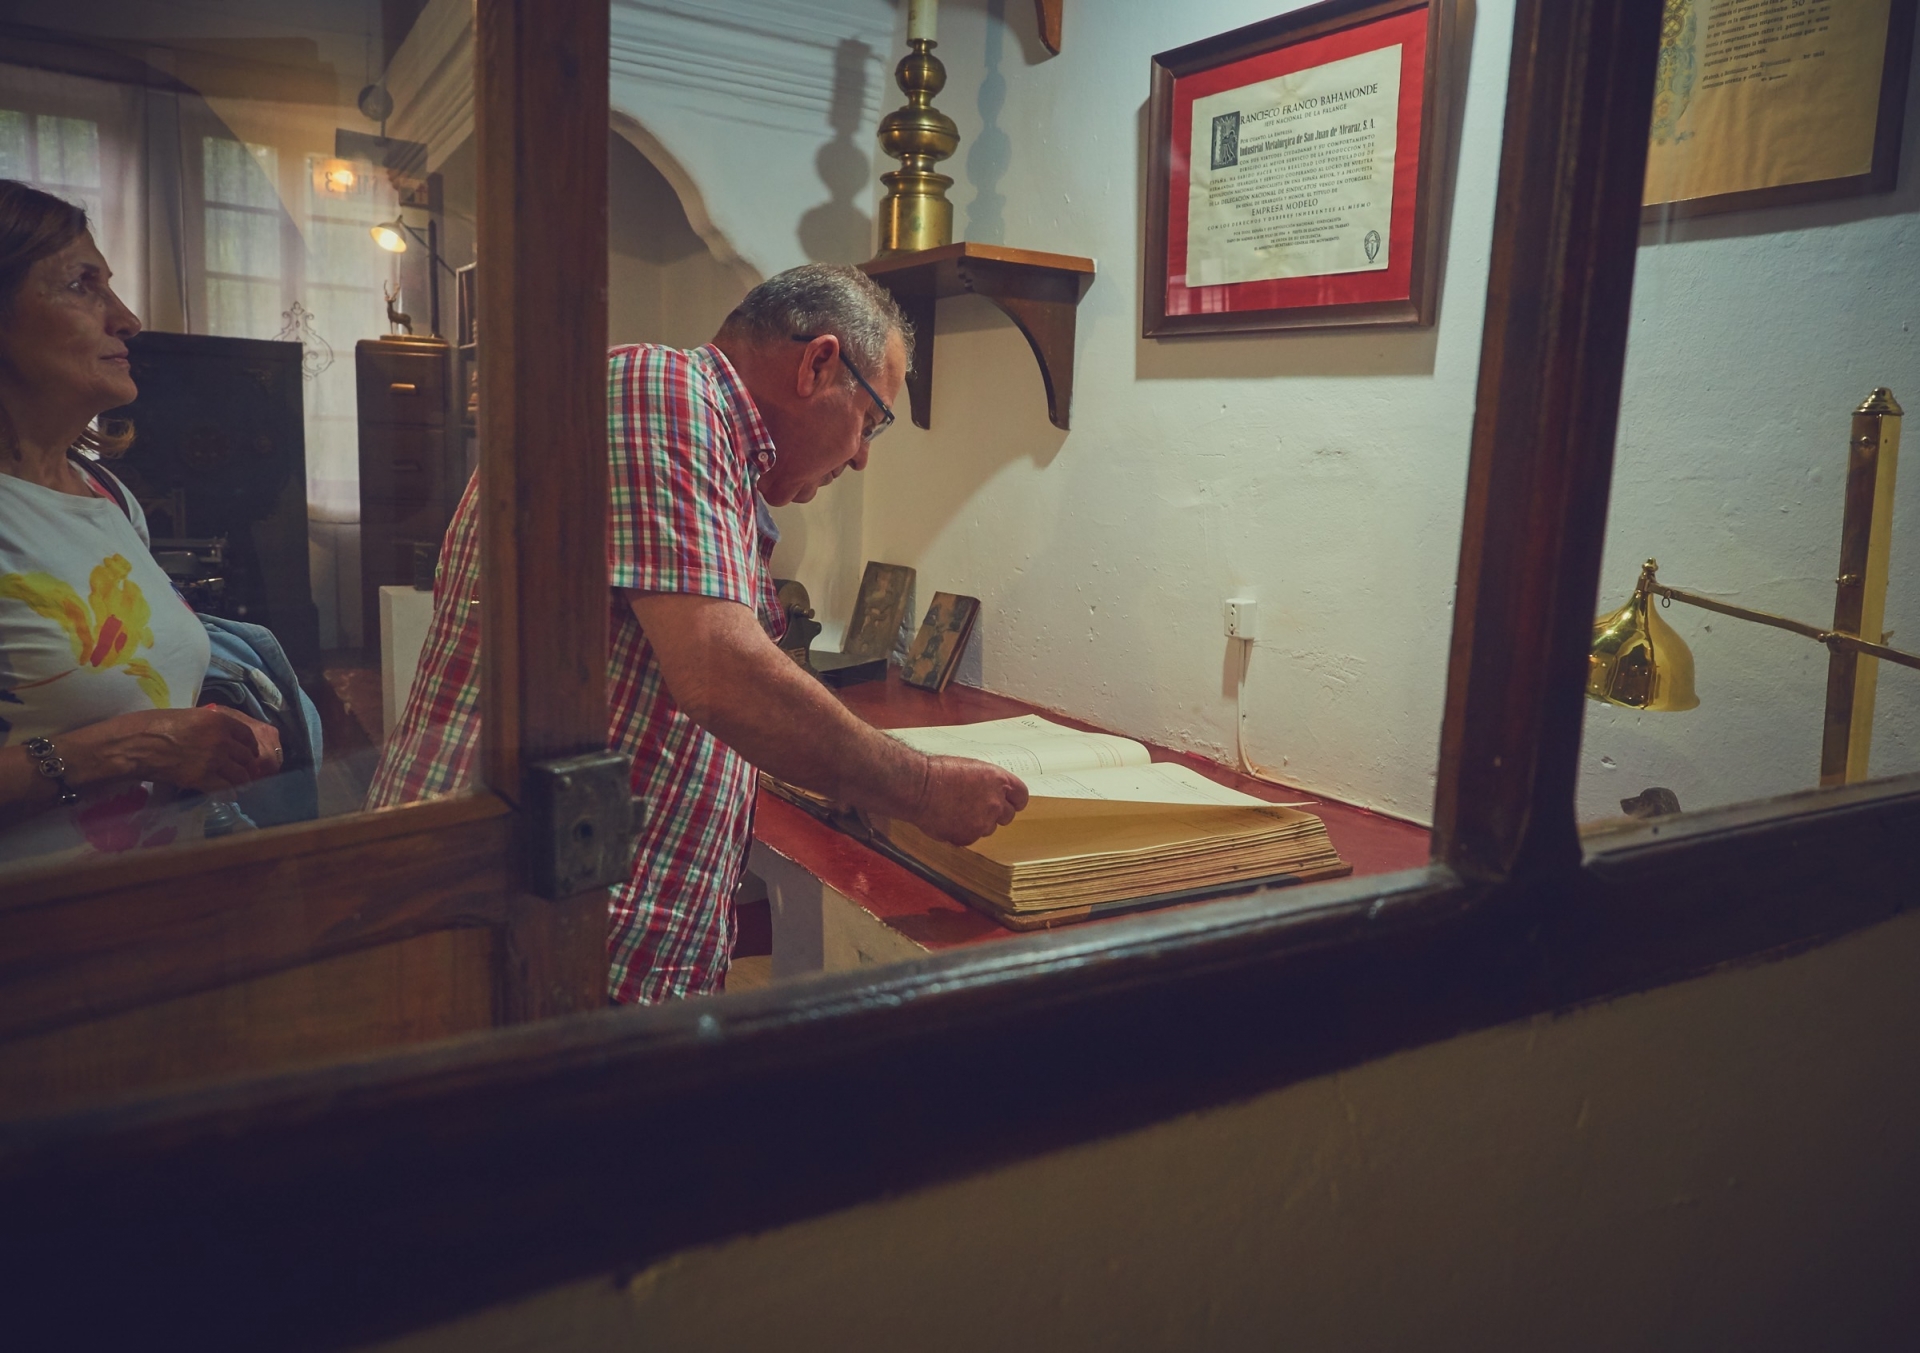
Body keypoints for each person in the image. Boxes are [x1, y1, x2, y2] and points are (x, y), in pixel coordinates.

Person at [370, 264, 1027, 1002]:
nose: (864, 454)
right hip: (524, 940)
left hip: (567, 938)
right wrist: (924, 787)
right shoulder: (667, 391)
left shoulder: (712, 442)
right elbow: (720, 671)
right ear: (819, 363)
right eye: (871, 421)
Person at [0, 180, 281, 868]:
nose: (126, 318)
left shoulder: (105, 494)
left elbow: (136, 680)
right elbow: (122, 733)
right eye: (81, 284)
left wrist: (207, 725)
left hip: (142, 914)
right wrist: (129, 748)